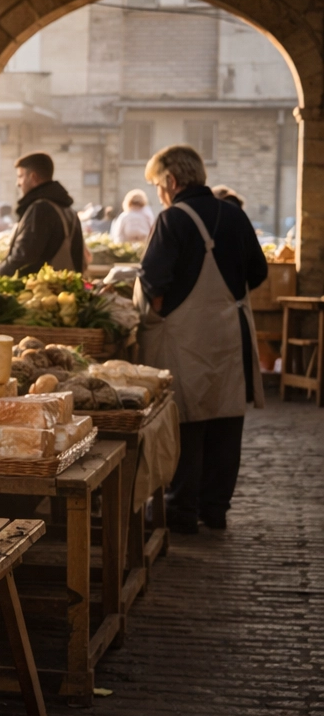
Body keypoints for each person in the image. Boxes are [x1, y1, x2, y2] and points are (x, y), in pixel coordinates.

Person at [137, 144, 268, 533]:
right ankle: (215, 509)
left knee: (186, 420)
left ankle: (181, 511)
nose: (161, 194)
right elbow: (258, 272)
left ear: (172, 182)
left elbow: (154, 282)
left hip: (186, 336)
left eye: (159, 186)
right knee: (227, 420)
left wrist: (167, 310)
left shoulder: (171, 219)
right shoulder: (234, 215)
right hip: (231, 333)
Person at [0, 152, 85, 276]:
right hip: (63, 290)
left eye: (20, 176)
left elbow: (22, 258)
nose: (18, 183)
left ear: (33, 177)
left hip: (40, 291)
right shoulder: (68, 210)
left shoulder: (41, 210)